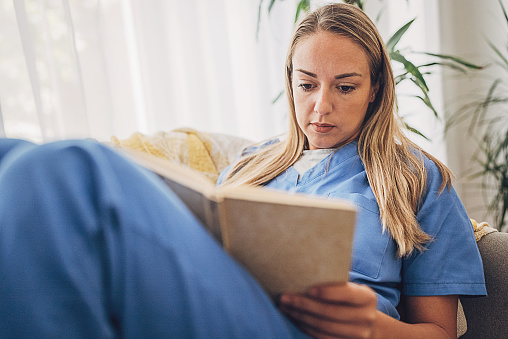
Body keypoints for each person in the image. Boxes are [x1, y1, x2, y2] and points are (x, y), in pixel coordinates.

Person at [0, 3, 485, 339]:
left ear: (376, 87)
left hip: (298, 330)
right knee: (14, 157)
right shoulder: (252, 161)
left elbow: (440, 332)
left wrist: (374, 329)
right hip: (214, 300)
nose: (321, 106)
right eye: (307, 84)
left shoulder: (416, 178)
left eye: (345, 87)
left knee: (63, 170)